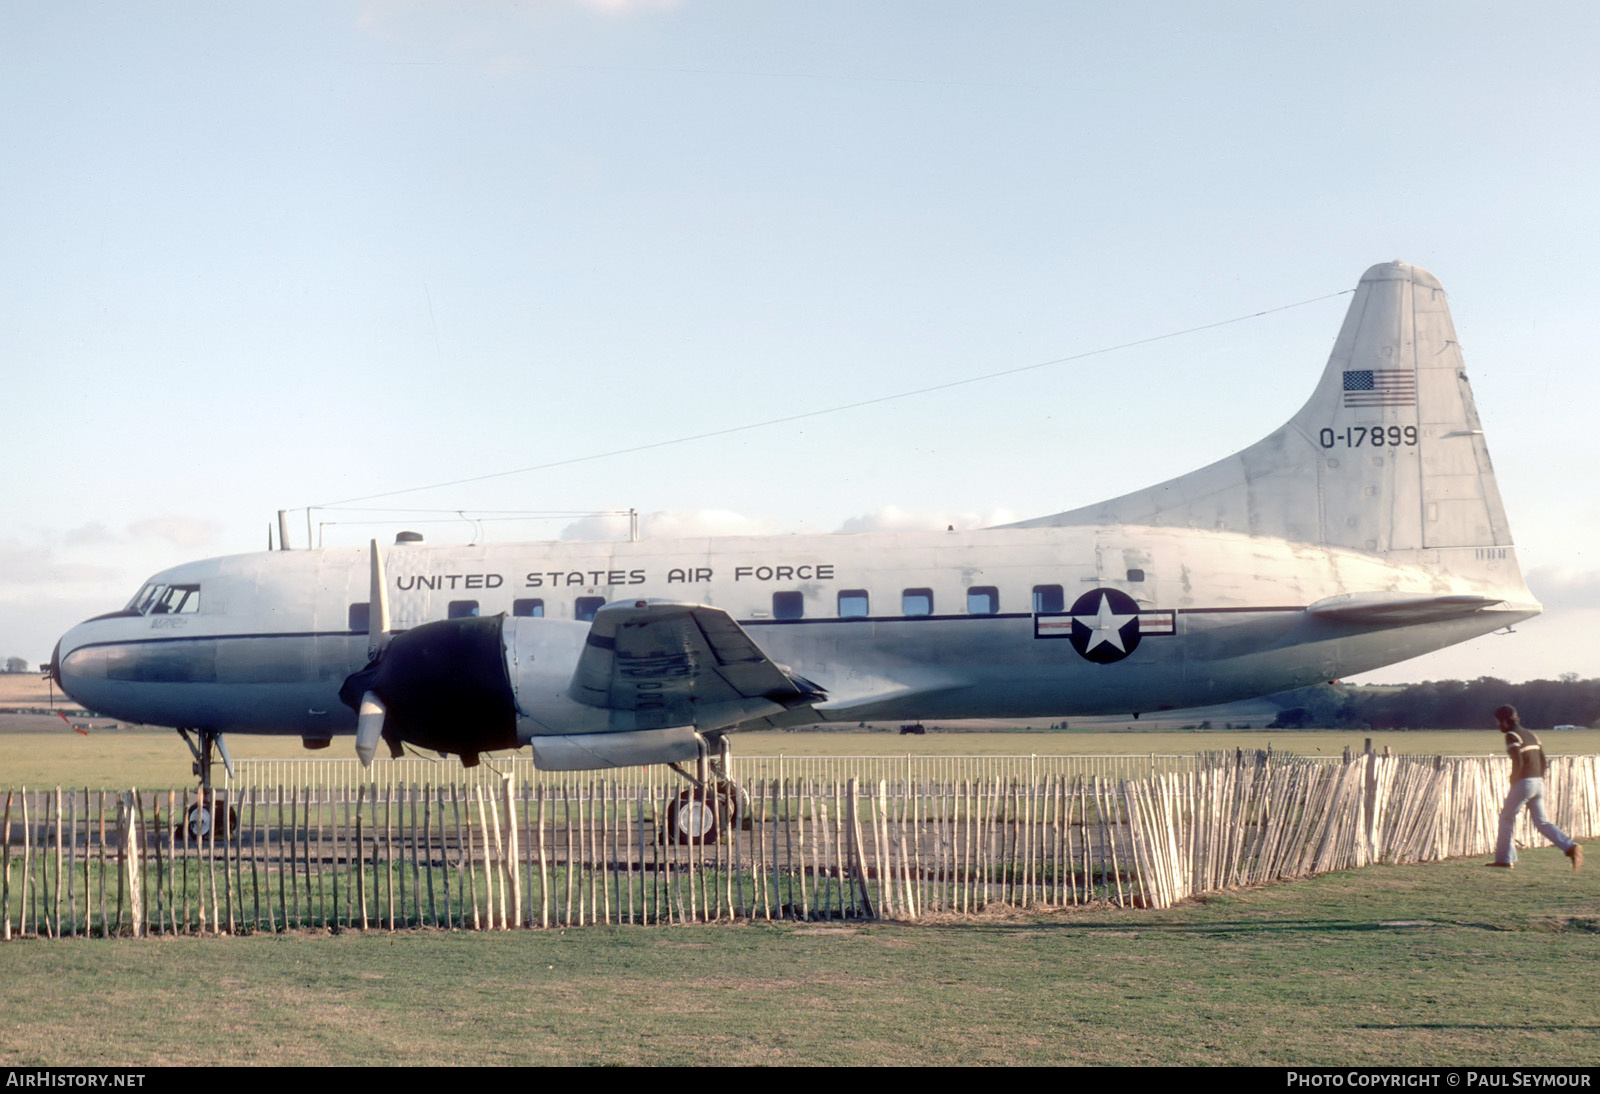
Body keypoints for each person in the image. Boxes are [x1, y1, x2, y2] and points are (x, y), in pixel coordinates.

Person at [1489, 705, 1583, 870]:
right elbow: (1543, 760)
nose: (1497, 725)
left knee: (1506, 818)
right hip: (1538, 782)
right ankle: (1570, 846)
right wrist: (1536, 780)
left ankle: (1504, 859)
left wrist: (1514, 781)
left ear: (1504, 720)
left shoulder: (1512, 736)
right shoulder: (1531, 735)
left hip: (1524, 782)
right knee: (1542, 822)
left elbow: (1518, 761)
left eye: (1498, 721)